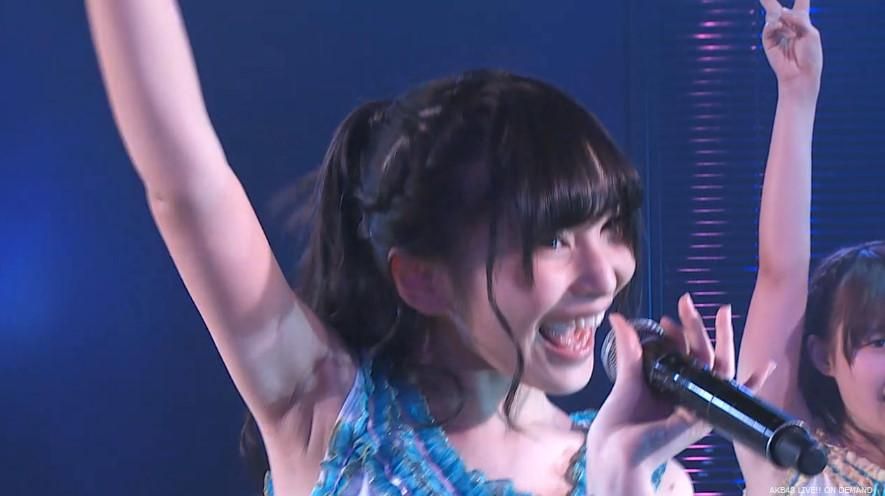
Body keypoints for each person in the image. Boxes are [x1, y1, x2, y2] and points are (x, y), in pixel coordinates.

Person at [85, 1, 773, 494]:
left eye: (610, 228)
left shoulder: (647, 473)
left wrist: (622, 473)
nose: (605, 276)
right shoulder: (327, 407)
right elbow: (188, 185)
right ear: (421, 278)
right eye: (552, 239)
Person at [736, 1, 884, 494]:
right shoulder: (797, 466)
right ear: (824, 357)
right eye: (879, 342)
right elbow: (780, 275)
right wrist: (797, 95)